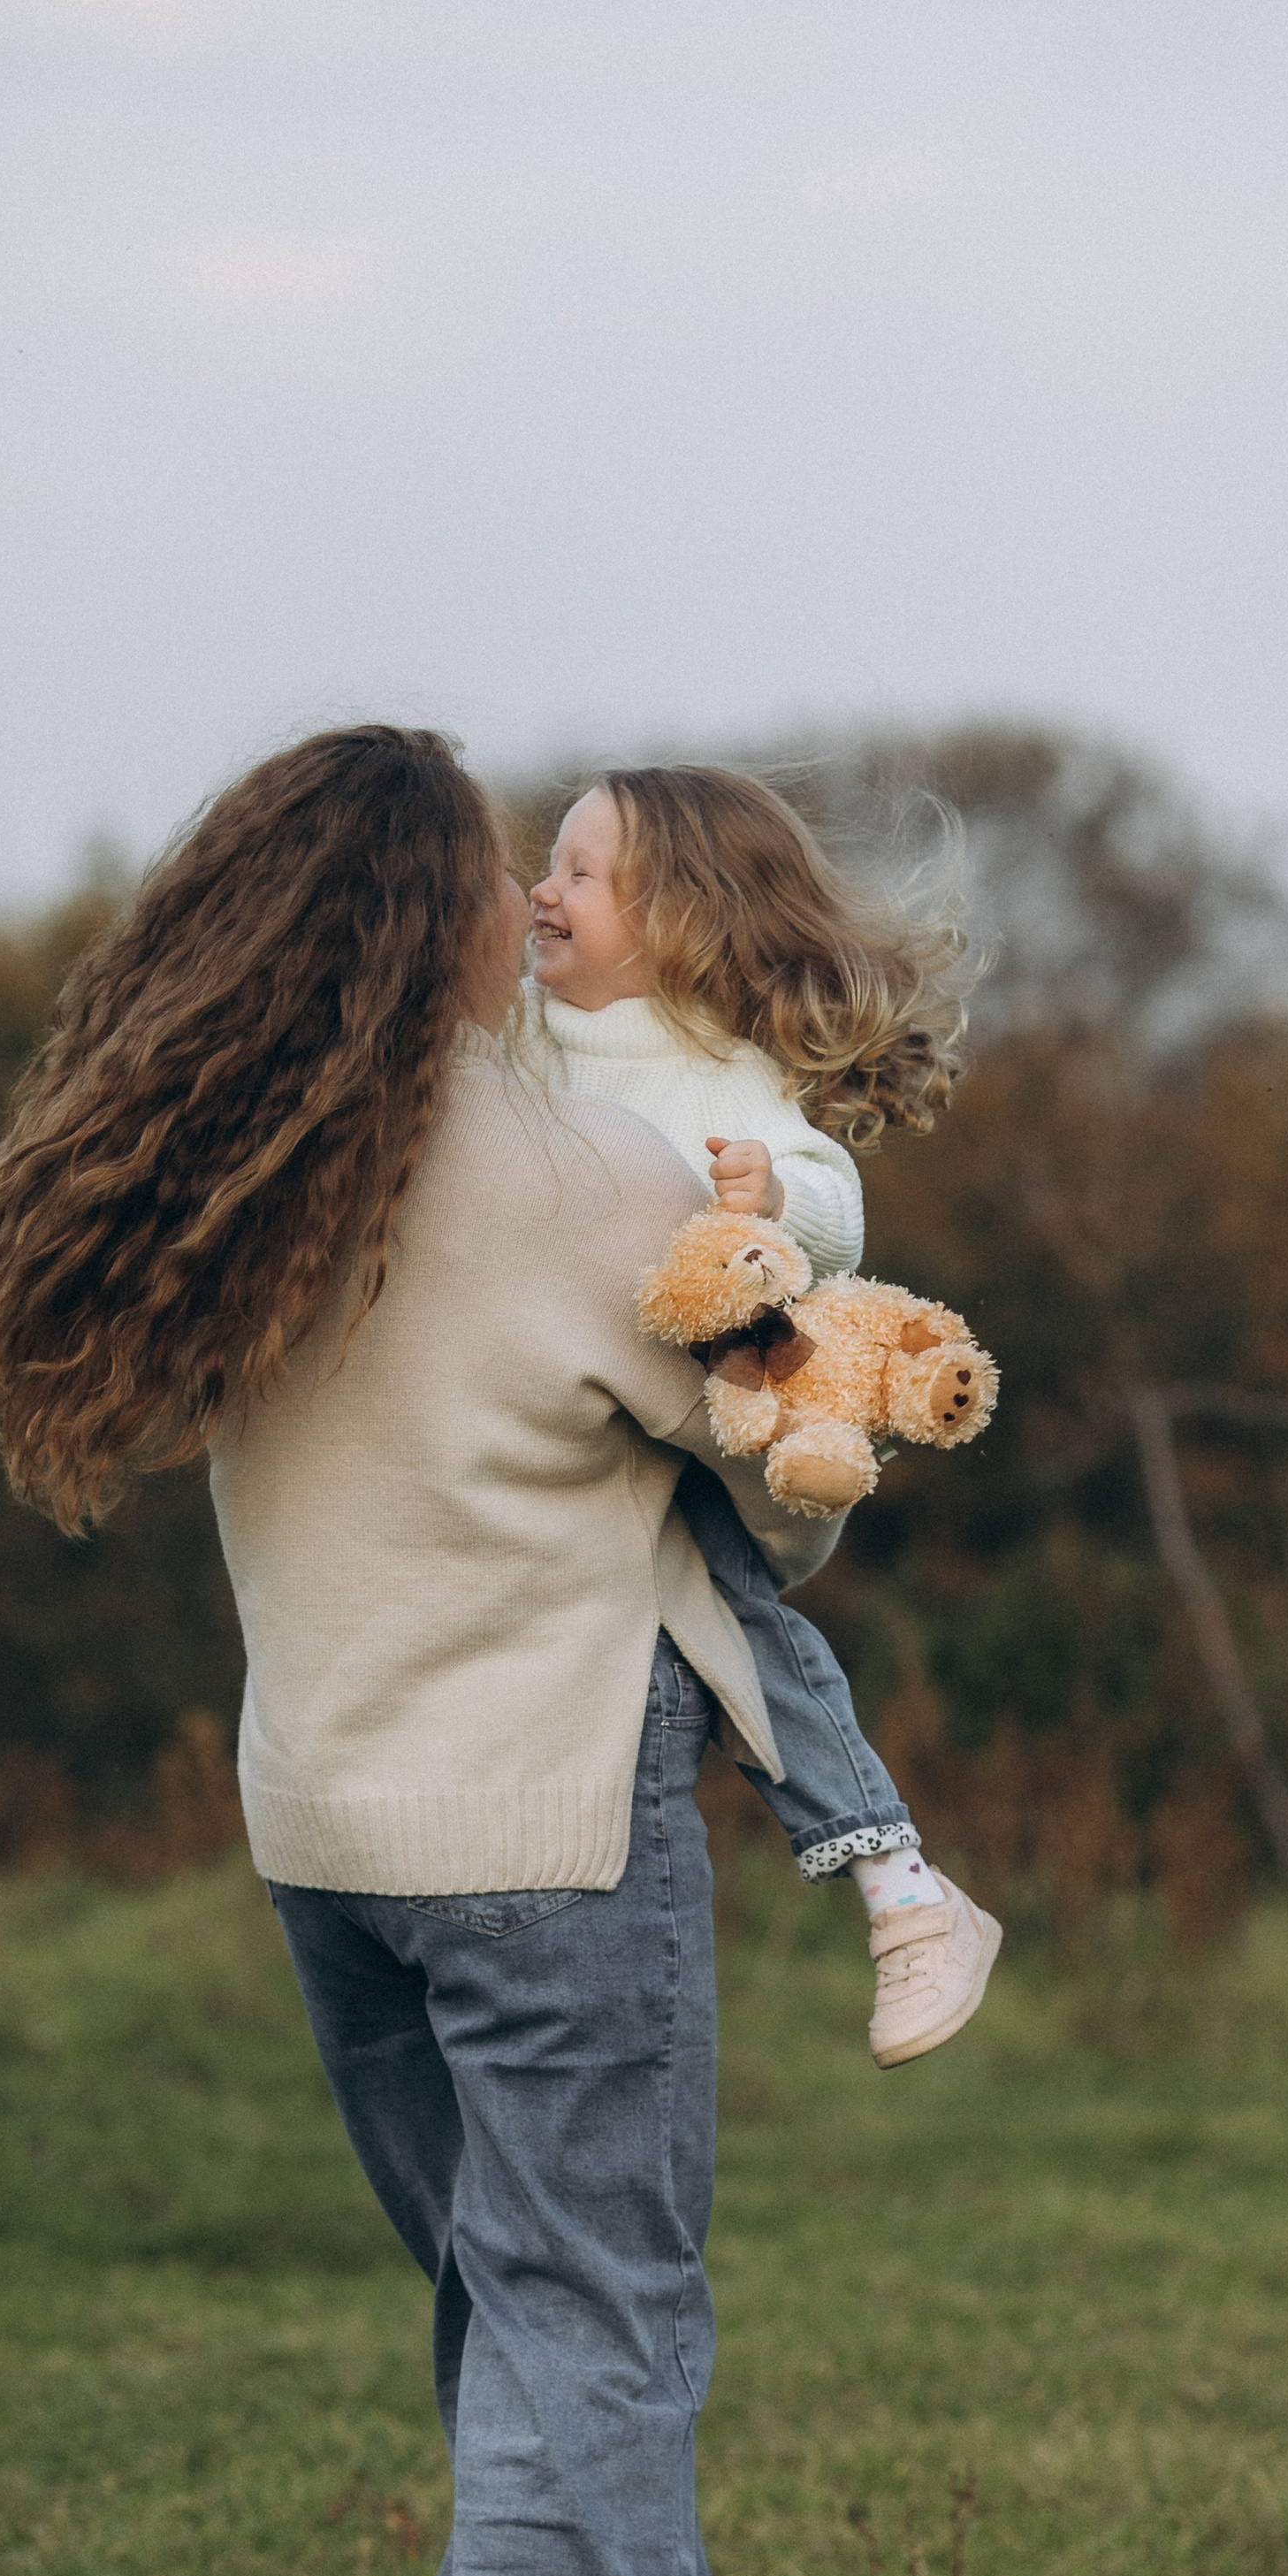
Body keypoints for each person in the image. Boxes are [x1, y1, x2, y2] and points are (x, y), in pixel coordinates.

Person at [0, 725, 834, 2576]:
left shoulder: (251, 1188)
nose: (530, 905)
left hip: (326, 1839)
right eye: (498, 875)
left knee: (518, 2305)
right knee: (586, 2311)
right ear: (436, 922)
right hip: (544, 1830)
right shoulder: (588, 1180)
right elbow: (777, 1509)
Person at [525, 762, 1001, 2068]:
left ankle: (904, 1893)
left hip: (708, 1432)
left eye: (579, 875)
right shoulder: (517, 1032)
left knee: (737, 1630)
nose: (542, 893)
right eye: (546, 865)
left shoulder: (718, 1070)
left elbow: (835, 1204)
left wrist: (773, 1199)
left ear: (677, 920)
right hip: (571, 1426)